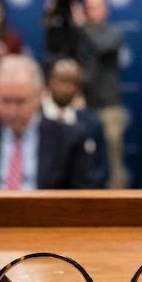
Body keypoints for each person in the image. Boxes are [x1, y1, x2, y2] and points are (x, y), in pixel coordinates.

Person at [0, 55, 94, 190]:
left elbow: (82, 199)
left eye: (20, 101)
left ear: (39, 95)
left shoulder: (68, 139)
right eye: (5, 101)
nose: (12, 111)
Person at [73, 0, 129, 189]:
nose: (90, 12)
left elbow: (101, 46)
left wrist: (81, 26)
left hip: (108, 108)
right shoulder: (78, 35)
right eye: (87, 8)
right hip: (82, 107)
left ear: (106, 10)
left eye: (95, 7)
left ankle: (118, 206)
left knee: (113, 161)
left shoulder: (113, 33)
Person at [41, 59, 108, 188]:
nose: (66, 88)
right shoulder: (34, 117)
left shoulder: (92, 123)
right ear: (49, 82)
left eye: (73, 82)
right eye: (61, 81)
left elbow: (102, 168)